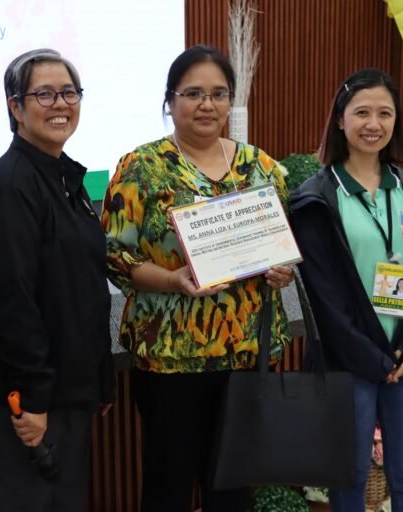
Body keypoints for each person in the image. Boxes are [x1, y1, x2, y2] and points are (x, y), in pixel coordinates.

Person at [101, 45, 295, 512]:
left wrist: (282, 270)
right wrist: (174, 280)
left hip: (246, 354)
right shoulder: (141, 168)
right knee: (168, 488)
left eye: (218, 93)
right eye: (193, 93)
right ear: (170, 100)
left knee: (233, 490)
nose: (206, 105)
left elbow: (280, 247)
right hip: (171, 359)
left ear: (231, 100)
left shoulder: (262, 168)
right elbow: (112, 256)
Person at [0, 49, 115, 512]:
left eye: (69, 92)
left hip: (65, 393)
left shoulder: (65, 179)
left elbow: (82, 289)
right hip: (26, 406)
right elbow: (13, 303)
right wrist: (31, 399)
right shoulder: (10, 188)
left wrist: (99, 380)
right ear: (15, 107)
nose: (60, 104)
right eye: (44, 94)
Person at [289, 68, 403, 512]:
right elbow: (324, 296)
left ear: (395, 121)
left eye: (384, 113)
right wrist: (370, 359)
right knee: (350, 478)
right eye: (361, 112)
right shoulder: (316, 198)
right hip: (347, 362)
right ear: (340, 119)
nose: (372, 123)